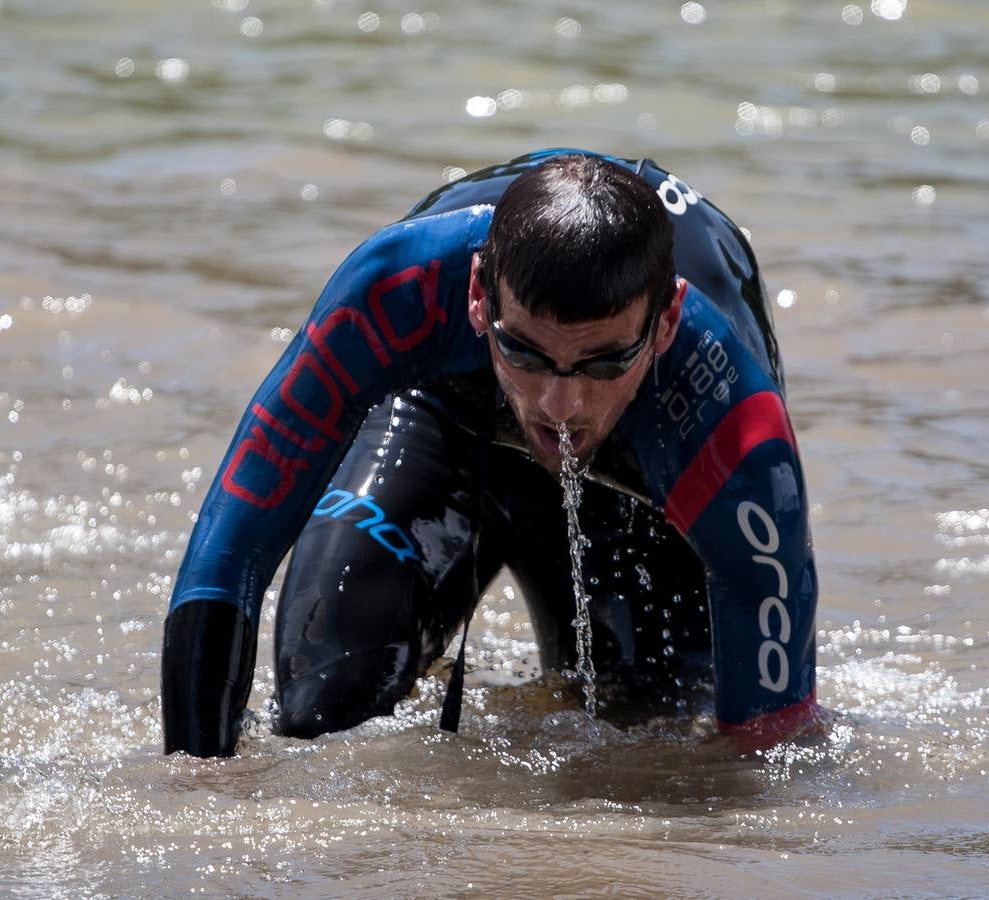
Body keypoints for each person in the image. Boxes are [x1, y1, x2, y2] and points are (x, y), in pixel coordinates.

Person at [161, 149, 821, 758]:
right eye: (527, 352)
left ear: (666, 322)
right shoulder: (395, 286)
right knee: (319, 716)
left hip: (646, 476)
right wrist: (195, 790)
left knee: (649, 737)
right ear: (477, 296)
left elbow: (769, 735)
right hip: (442, 421)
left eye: (604, 360)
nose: (559, 405)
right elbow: (225, 559)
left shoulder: (727, 410)